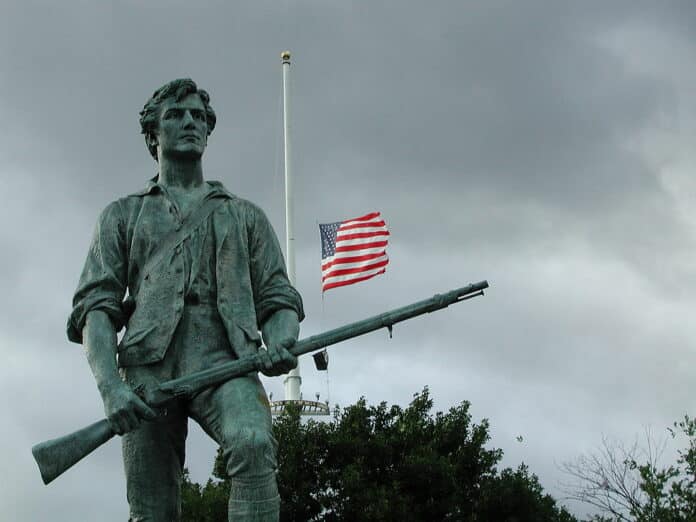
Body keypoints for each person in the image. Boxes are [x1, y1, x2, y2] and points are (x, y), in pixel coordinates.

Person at [67, 78, 303, 521]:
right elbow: (95, 310)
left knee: (253, 442)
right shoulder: (122, 215)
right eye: (175, 115)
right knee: (152, 508)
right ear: (153, 134)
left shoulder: (245, 215)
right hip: (147, 374)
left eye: (198, 116)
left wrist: (281, 340)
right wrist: (110, 389)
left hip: (225, 362)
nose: (190, 122)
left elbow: (277, 299)